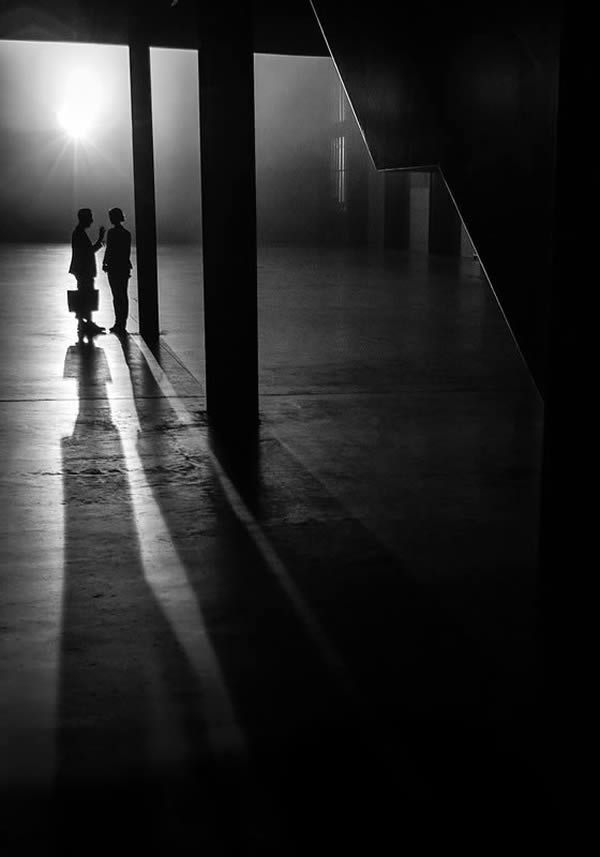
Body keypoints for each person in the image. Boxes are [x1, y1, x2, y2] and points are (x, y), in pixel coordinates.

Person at [69, 208, 105, 338]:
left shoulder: (79, 233)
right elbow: (88, 252)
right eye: (90, 217)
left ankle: (84, 322)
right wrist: (100, 239)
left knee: (84, 294)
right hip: (84, 270)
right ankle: (86, 322)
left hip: (81, 269)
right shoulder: (79, 234)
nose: (92, 220)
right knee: (86, 294)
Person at [102, 207, 132, 335]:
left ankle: (118, 322)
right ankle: (122, 323)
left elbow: (109, 250)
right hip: (123, 267)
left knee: (116, 296)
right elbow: (126, 253)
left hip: (113, 267)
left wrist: (105, 262)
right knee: (123, 295)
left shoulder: (111, 233)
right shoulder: (127, 234)